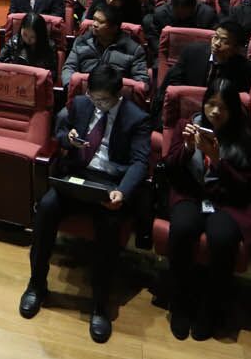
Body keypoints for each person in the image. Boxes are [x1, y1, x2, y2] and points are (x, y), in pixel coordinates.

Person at [20, 64, 152, 344]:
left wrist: (122, 192)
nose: (98, 104)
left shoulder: (137, 118)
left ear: (118, 95)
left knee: (109, 227)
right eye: (94, 98)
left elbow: (140, 163)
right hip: (77, 177)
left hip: (109, 185)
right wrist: (67, 139)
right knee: (46, 208)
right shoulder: (81, 103)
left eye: (104, 100)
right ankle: (37, 284)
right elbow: (59, 133)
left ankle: (100, 304)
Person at [163, 79, 251, 341]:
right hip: (191, 194)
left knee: (223, 237)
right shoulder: (187, 124)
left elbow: (245, 185)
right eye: (211, 104)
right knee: (182, 228)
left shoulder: (244, 137)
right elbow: (170, 168)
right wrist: (187, 148)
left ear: (233, 111)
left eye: (223, 107)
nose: (215, 112)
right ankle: (180, 303)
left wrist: (217, 160)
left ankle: (210, 308)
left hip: (227, 200)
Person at [157, 19, 251, 115]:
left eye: (224, 41)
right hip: (185, 108)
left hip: (218, 114)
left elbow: (236, 103)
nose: (216, 44)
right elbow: (173, 84)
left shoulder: (245, 69)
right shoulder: (192, 52)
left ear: (237, 48)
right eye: (216, 37)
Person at [62, 5, 148, 86]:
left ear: (114, 28)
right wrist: (70, 85)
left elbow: (141, 80)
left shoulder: (133, 50)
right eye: (94, 19)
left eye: (100, 22)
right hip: (85, 91)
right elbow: (69, 68)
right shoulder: (81, 42)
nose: (94, 24)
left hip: (116, 93)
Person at [0, 11, 59, 76]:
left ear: (40, 35)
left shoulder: (50, 46)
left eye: (32, 37)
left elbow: (53, 74)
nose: (28, 39)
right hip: (15, 78)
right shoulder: (14, 41)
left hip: (38, 80)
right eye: (25, 34)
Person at [142, 0, 216, 43]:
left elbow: (213, 39)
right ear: (172, 6)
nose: (182, 16)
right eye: (178, 13)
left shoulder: (207, 14)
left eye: (185, 13)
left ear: (194, 7)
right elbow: (154, 38)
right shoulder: (161, 14)